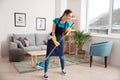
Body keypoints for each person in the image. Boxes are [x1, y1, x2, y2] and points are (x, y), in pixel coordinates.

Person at [44, 9, 73, 79]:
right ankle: (45, 73)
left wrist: (68, 31)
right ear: (65, 14)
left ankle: (63, 69)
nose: (70, 18)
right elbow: (53, 31)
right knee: (48, 56)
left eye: (71, 16)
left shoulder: (68, 24)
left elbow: (65, 34)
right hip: (52, 39)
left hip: (60, 40)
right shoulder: (56, 20)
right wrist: (54, 41)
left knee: (62, 56)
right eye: (69, 16)